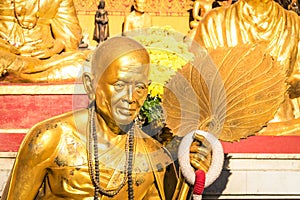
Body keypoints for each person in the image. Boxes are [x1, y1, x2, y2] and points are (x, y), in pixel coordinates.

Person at [2, 36, 214, 199]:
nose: (131, 98)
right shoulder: (50, 140)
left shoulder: (150, 154)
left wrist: (188, 176)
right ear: (90, 85)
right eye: (119, 85)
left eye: (139, 88)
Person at [193, 0, 300, 136]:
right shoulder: (214, 22)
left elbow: (297, 77)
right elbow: (196, 76)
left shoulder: (294, 23)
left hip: (281, 118)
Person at [0, 0, 90, 82]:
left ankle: (30, 78)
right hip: (6, 53)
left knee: (90, 62)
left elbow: (68, 38)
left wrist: (51, 51)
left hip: (42, 62)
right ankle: (16, 73)